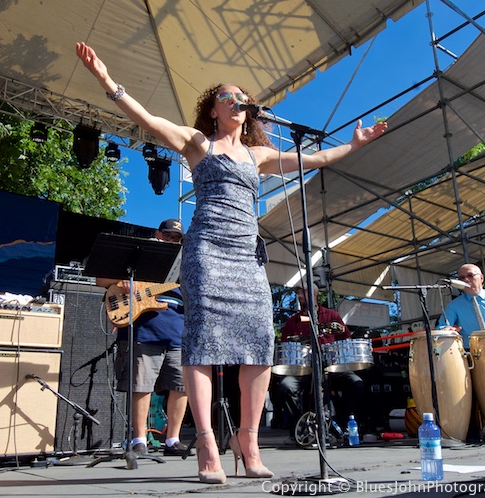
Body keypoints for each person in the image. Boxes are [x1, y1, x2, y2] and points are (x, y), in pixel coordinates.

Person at [75, 42, 386, 484]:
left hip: (246, 257)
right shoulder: (198, 143)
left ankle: (249, 441)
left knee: (260, 345)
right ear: (214, 111)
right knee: (200, 347)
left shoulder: (257, 155)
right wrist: (109, 82)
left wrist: (352, 146)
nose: (236, 101)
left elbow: (312, 159)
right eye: (227, 96)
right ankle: (204, 443)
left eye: (241, 97)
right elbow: (147, 120)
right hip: (207, 253)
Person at [95, 218, 189, 456]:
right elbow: (100, 279)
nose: (171, 240)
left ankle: (172, 440)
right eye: (167, 236)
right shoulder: (140, 255)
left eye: (176, 238)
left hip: (178, 332)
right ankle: (138, 439)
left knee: (182, 386)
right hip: (145, 330)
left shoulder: (185, 264)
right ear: (157, 234)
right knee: (141, 385)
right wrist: (124, 283)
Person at [271, 284, 364, 437]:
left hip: (331, 368)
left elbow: (346, 341)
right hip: (306, 369)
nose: (300, 296)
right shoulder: (292, 322)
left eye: (303, 292)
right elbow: (286, 346)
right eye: (298, 293)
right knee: (285, 386)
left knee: (356, 384)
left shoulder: (332, 316)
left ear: (314, 294)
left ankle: (339, 424)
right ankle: (301, 426)